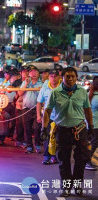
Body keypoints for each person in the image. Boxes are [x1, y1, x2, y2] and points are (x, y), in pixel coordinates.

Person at [42, 67, 93, 197]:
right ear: (62, 78)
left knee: (80, 160)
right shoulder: (55, 92)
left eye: (73, 76)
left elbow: (87, 110)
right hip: (62, 130)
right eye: (67, 76)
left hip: (80, 130)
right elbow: (47, 111)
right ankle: (66, 187)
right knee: (63, 160)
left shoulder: (82, 92)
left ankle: (77, 186)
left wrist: (91, 127)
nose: (70, 79)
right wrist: (44, 128)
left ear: (76, 78)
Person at [36, 69, 61, 165]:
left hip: (60, 117)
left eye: (55, 76)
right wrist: (39, 115)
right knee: (47, 137)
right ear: (48, 77)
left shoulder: (63, 88)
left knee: (58, 138)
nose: (53, 78)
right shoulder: (45, 88)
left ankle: (55, 157)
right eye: (51, 76)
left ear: (59, 77)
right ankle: (47, 157)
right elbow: (39, 102)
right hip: (48, 117)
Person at [18, 66, 43, 153]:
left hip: (37, 109)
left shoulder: (41, 84)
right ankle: (29, 146)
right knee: (27, 128)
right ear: (29, 74)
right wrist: (26, 84)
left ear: (38, 73)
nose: (34, 73)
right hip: (26, 109)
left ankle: (37, 144)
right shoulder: (25, 82)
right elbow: (20, 93)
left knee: (37, 128)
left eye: (36, 71)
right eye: (32, 72)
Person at [86, 76, 98, 171]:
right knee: (94, 143)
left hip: (89, 123)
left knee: (91, 143)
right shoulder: (96, 97)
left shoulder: (89, 94)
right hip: (95, 124)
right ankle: (87, 162)